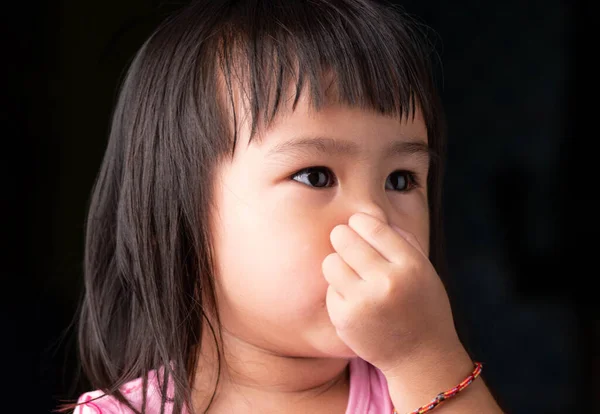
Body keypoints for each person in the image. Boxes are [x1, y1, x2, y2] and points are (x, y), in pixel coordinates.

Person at [60, 0, 505, 412]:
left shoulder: (421, 387)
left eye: (400, 180)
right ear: (177, 217)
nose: (374, 218)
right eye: (315, 176)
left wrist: (424, 358)